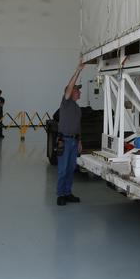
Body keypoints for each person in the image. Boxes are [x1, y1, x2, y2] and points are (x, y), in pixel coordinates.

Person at [55, 63, 86, 206]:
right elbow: (69, 87)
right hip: (65, 141)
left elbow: (77, 126)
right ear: (70, 92)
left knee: (71, 169)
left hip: (74, 142)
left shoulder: (77, 108)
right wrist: (78, 71)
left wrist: (79, 141)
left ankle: (67, 193)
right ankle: (60, 194)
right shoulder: (66, 103)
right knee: (62, 170)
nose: (79, 92)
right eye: (77, 90)